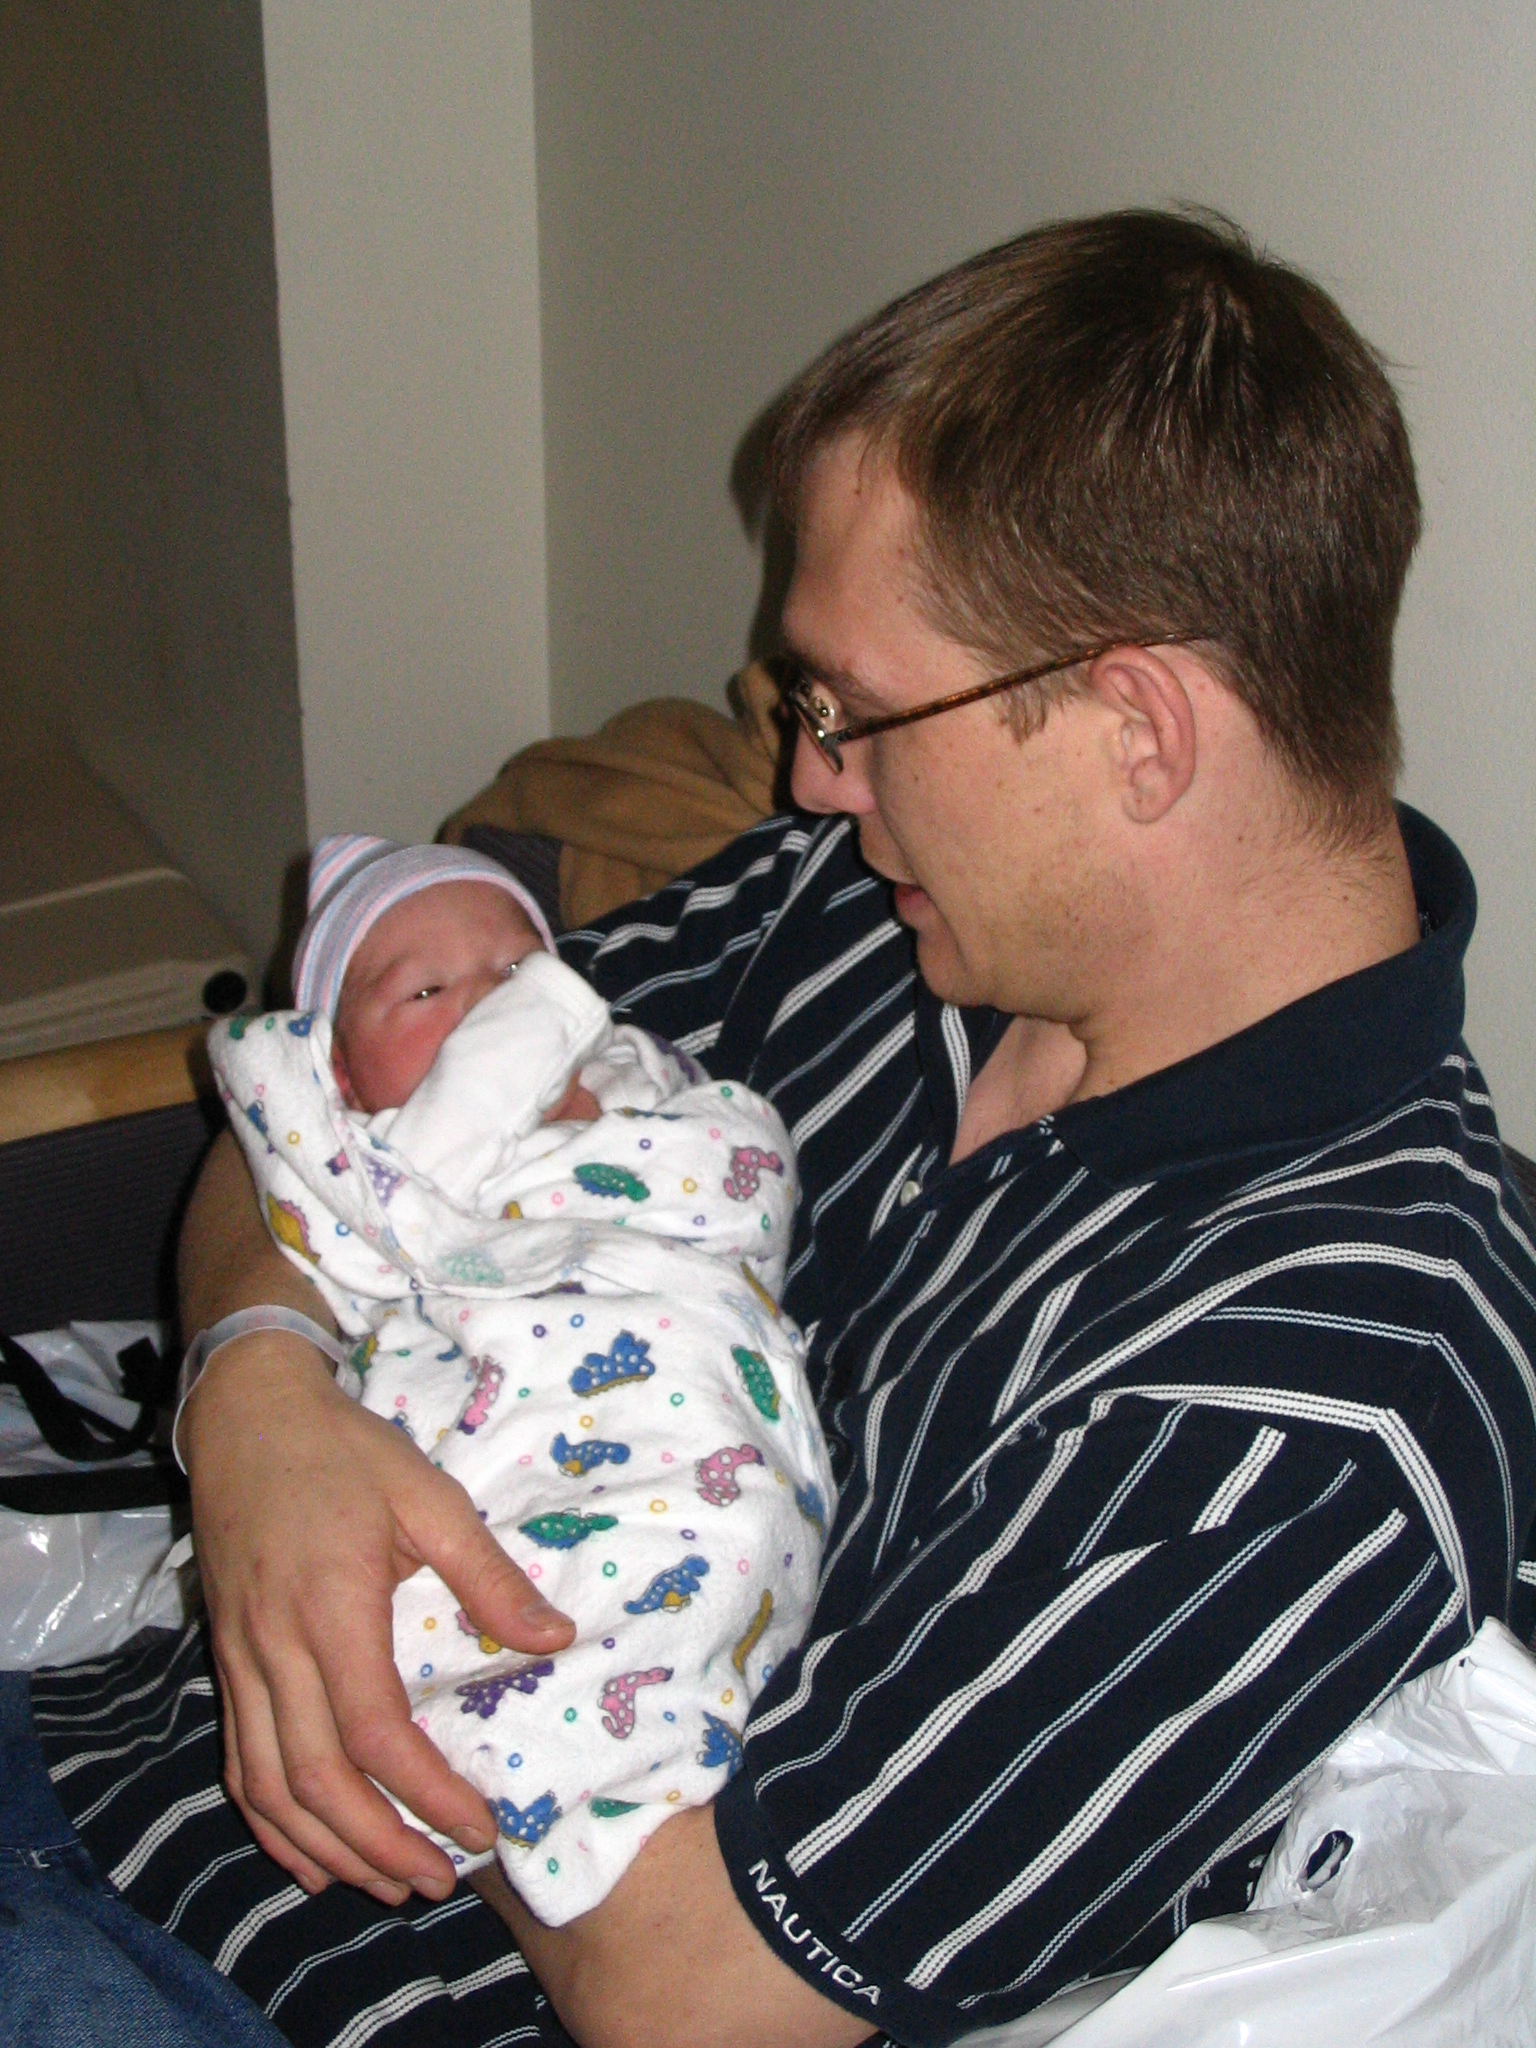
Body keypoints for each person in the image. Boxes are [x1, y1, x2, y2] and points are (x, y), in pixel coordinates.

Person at [24, 209, 1536, 2048]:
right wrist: (257, 1398)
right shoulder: (859, 911)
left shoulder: (1320, 1400)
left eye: (859, 712)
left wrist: (375, 1613)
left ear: (1139, 731)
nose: (806, 774)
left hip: (278, 1985)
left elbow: (693, 1995)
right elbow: (318, 1120)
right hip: (104, 1729)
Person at [204, 833, 831, 1926]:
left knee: (711, 1545)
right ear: (342, 1074)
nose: (491, 1007)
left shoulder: (654, 1093)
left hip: (677, 1406)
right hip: (480, 1432)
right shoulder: (364, 1163)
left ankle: (623, 1774)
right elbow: (307, 1206)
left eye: (516, 972)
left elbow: (748, 1182)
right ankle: (492, 1766)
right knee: (427, 1606)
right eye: (424, 991)